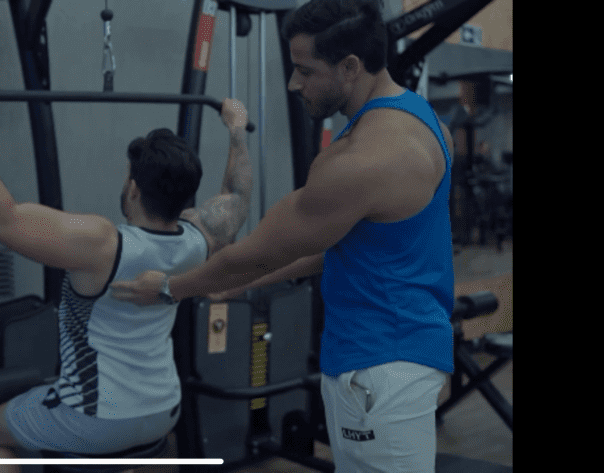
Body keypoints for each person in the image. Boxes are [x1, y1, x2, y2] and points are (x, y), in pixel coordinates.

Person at [109, 0, 456, 471]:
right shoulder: (426, 121)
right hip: (404, 355)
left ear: (350, 67)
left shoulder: (360, 162)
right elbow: (348, 248)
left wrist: (170, 288)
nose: (293, 83)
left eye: (305, 71)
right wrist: (237, 286)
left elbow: (253, 254)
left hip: (376, 369)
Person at [0, 92, 253, 472]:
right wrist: (237, 128)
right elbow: (237, 195)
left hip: (95, 418)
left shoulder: (102, 245)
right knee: (150, 445)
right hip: (164, 410)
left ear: (133, 188)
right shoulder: (200, 240)